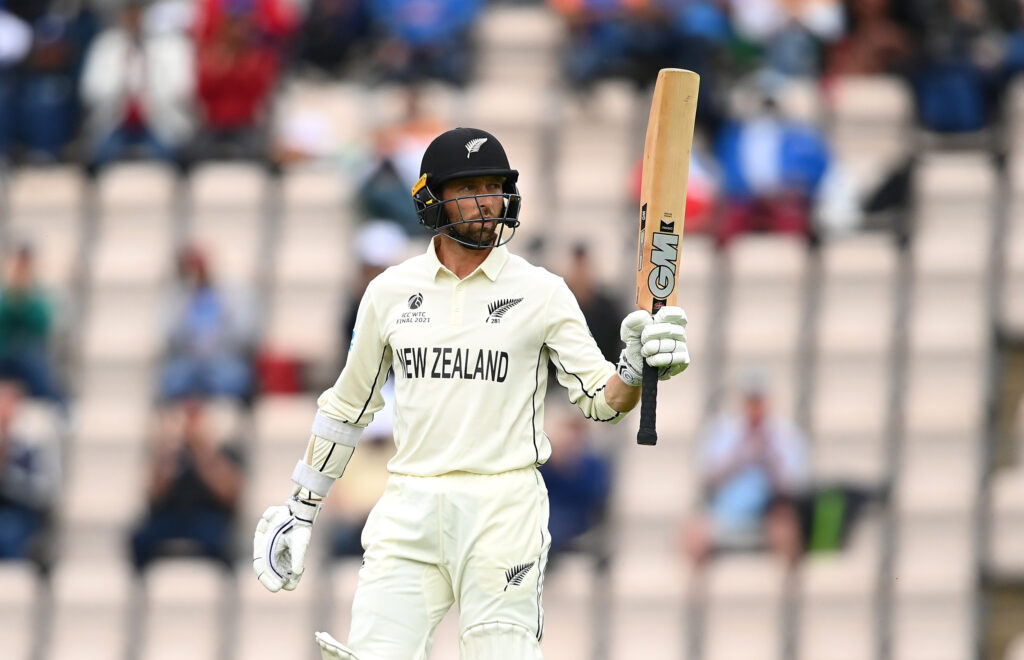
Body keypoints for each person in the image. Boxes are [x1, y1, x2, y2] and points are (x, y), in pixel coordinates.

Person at [251, 127, 691, 660]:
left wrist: (637, 369)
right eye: (469, 188)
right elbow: (348, 406)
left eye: (494, 187)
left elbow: (603, 401)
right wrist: (302, 506)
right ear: (432, 198)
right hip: (409, 503)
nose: (487, 202)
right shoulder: (389, 293)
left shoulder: (542, 292)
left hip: (503, 509)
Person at [680, 370, 808, 569]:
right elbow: (706, 478)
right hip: (723, 512)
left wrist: (769, 456)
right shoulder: (721, 431)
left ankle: (787, 594)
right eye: (750, 399)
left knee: (788, 534)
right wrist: (739, 455)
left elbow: (793, 486)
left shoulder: (785, 434)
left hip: (769, 514)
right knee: (692, 536)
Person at [78, 0, 194, 174]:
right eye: (129, 15)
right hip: (115, 124)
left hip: (158, 124)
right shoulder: (106, 45)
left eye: (138, 15)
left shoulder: (170, 45)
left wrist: (151, 69)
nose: (134, 20)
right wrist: (122, 72)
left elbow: (182, 90)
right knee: (102, 155)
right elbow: (90, 92)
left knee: (168, 156)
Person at [129, 397, 244, 570]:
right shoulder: (168, 453)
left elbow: (228, 496)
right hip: (170, 518)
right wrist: (169, 449)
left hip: (207, 519)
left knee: (224, 541)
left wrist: (202, 450)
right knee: (139, 540)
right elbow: (155, 494)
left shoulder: (224, 453)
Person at [159, 244, 257, 403]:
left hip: (225, 363)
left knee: (234, 379)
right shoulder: (177, 296)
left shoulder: (235, 294)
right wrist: (186, 303)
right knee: (173, 380)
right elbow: (169, 337)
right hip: (188, 365)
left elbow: (246, 336)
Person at [0, 379, 60, 561]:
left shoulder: (33, 434)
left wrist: (6, 453)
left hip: (26, 509)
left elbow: (42, 489)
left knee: (6, 535)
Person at [0, 244, 63, 404]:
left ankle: (59, 411)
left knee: (42, 378)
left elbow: (42, 326)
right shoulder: (4, 296)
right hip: (4, 353)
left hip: (28, 356)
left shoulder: (39, 296)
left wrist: (24, 301)